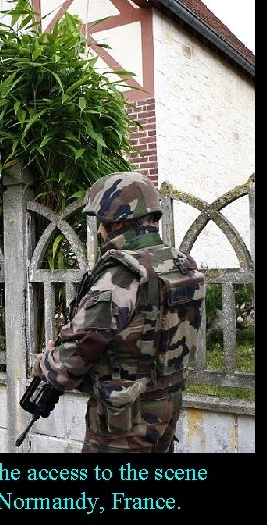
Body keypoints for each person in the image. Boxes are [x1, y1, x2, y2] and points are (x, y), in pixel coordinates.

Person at [32, 171, 206, 453]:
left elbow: (68, 365)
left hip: (123, 429)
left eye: (102, 223)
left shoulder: (121, 275)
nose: (100, 231)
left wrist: (42, 363)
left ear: (119, 221)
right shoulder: (180, 263)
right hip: (164, 415)